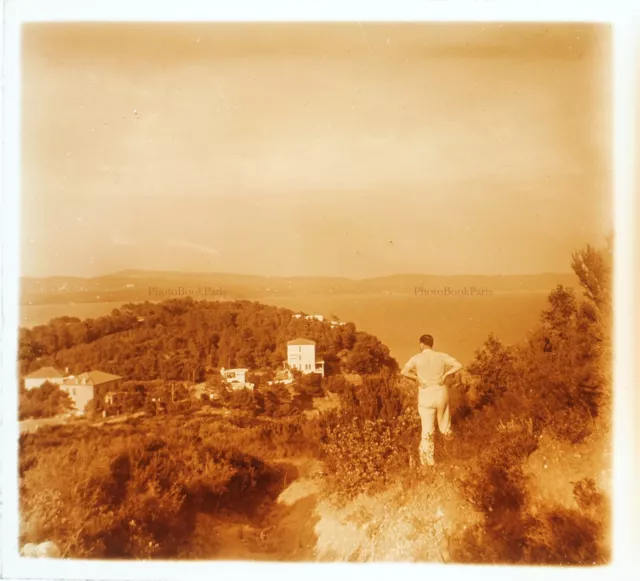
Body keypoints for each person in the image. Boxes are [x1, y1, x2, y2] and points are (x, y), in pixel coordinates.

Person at [401, 334, 463, 466]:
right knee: (445, 427)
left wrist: (417, 379)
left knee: (427, 431)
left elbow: (404, 372)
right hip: (441, 393)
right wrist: (446, 374)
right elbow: (458, 365)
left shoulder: (416, 358)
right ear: (432, 344)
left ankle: (428, 463)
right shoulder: (441, 356)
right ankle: (453, 456)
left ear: (421, 344)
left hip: (426, 395)